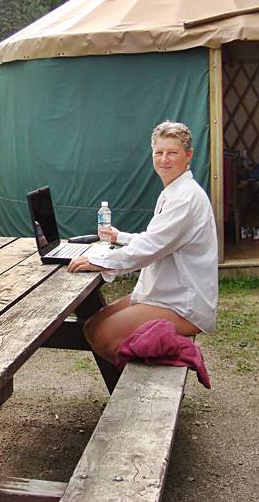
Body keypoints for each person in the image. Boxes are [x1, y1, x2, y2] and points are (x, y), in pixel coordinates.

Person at [67, 121, 218, 364]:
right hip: (164, 294)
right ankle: (137, 380)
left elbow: (150, 249)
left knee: (105, 336)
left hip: (184, 303)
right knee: (92, 326)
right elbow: (159, 240)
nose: (164, 160)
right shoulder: (174, 191)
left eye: (173, 153)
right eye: (159, 153)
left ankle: (166, 367)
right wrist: (120, 238)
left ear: (188, 156)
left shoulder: (185, 198)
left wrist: (99, 260)